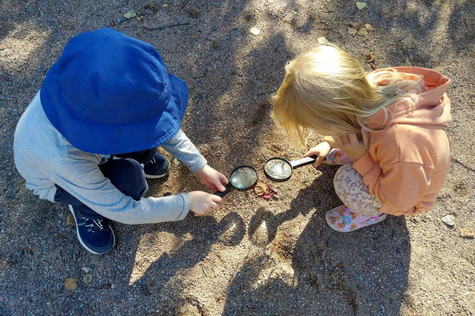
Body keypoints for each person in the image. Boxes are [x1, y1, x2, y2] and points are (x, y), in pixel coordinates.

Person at [13, 28, 228, 254]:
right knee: (129, 179)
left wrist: (200, 166)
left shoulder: (84, 87)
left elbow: (157, 119)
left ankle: (129, 159)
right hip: (57, 179)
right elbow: (125, 211)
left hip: (92, 143)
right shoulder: (61, 156)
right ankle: (86, 208)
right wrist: (186, 203)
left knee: (149, 131)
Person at [271, 43, 451, 232]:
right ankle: (356, 151)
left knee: (346, 181)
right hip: (397, 165)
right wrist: (329, 142)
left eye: (320, 128)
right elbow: (351, 122)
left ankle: (370, 213)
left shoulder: (400, 146)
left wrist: (361, 159)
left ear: (339, 117)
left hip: (403, 196)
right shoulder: (367, 91)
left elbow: (400, 199)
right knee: (355, 153)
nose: (317, 132)